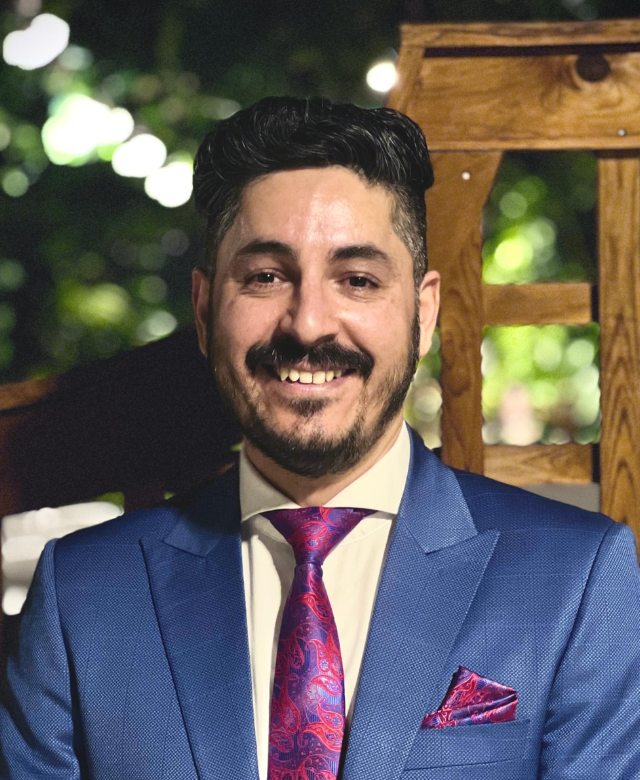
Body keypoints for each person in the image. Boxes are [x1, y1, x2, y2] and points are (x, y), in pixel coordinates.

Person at [1, 97, 640, 780]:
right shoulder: (83, 595)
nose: (307, 324)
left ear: (422, 313)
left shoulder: (578, 578)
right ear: (203, 307)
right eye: (266, 277)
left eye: (358, 280)